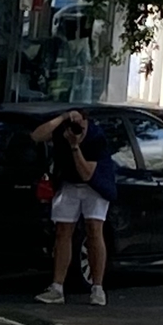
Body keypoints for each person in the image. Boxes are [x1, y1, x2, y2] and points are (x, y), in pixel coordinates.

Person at [32, 108, 119, 305]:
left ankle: (97, 288)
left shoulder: (97, 137)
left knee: (94, 229)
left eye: (80, 125)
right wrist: (62, 118)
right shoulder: (62, 131)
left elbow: (87, 173)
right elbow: (36, 136)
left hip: (95, 184)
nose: (77, 129)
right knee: (63, 231)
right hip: (69, 183)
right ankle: (57, 287)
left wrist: (74, 146)